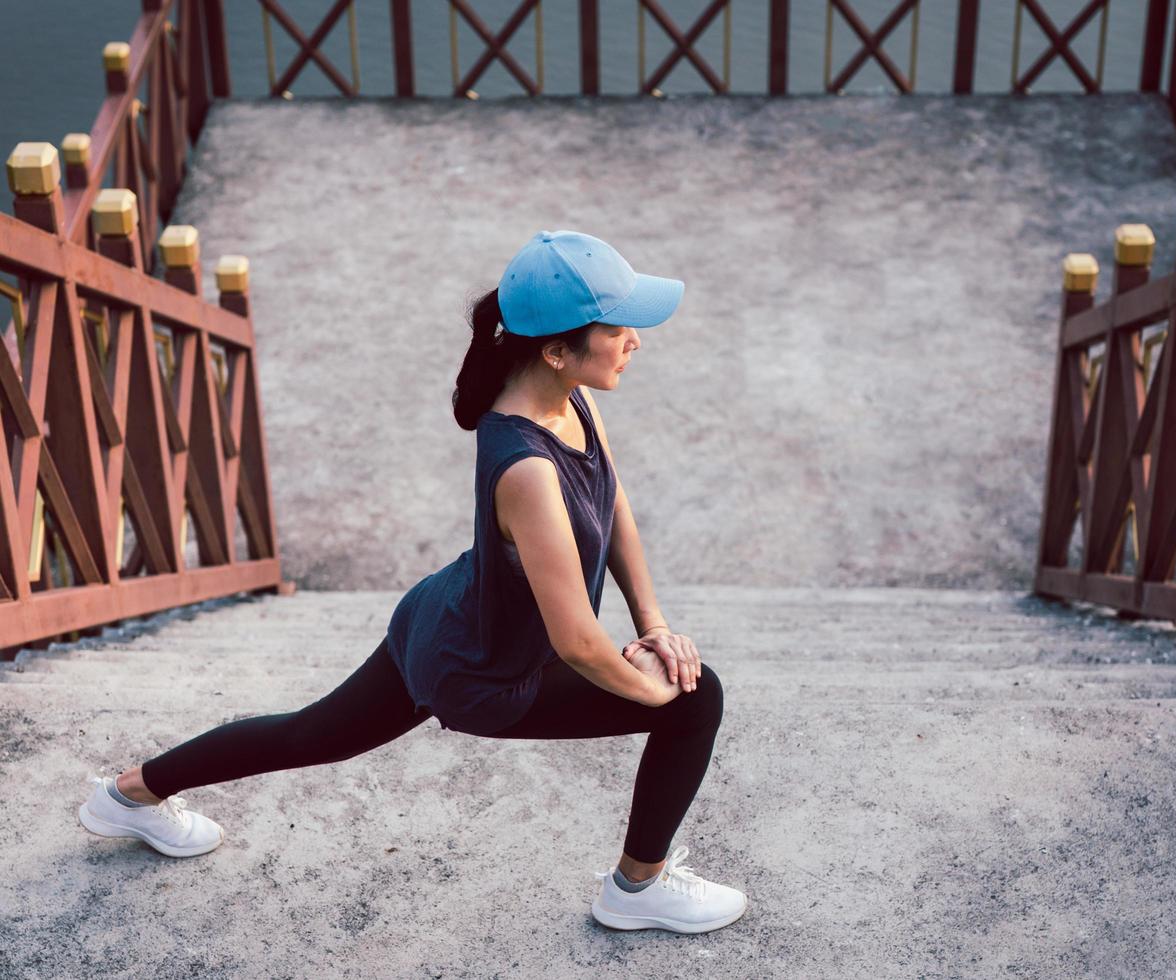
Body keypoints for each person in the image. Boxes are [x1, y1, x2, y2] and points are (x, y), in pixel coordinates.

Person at [77, 230, 747, 935]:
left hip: (443, 615)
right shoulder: (528, 470)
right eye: (617, 327)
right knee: (694, 703)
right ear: (556, 348)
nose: (635, 339)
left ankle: (128, 795)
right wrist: (656, 690)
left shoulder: (568, 398)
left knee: (311, 733)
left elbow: (612, 499)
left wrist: (654, 627)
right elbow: (578, 641)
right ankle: (636, 893)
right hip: (483, 673)